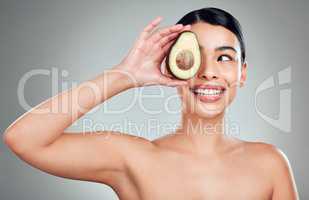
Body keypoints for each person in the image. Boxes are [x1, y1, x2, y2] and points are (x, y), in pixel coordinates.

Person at [3, 7, 298, 200]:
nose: (208, 71)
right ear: (172, 64)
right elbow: (24, 139)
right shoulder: (132, 158)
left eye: (224, 57)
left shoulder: (270, 164)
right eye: (194, 55)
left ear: (242, 73)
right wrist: (124, 75)